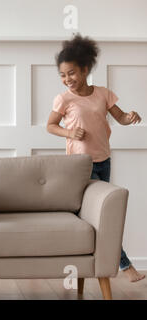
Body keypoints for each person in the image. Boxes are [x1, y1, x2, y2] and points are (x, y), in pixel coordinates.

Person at [46, 34, 144, 282]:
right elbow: (50, 126)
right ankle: (125, 266)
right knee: (96, 215)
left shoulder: (103, 94)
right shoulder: (64, 99)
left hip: (103, 161)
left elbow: (120, 118)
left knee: (101, 215)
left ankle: (95, 263)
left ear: (85, 70)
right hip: (80, 165)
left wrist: (130, 117)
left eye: (72, 73)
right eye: (63, 75)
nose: (67, 79)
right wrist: (69, 132)